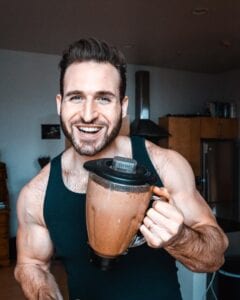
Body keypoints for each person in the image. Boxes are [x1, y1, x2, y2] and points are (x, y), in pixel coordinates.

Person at [14, 38, 228, 300]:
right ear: (60, 104)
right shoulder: (36, 194)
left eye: (104, 98)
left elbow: (214, 258)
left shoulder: (165, 165)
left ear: (123, 106)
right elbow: (30, 264)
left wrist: (180, 238)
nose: (88, 114)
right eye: (76, 97)